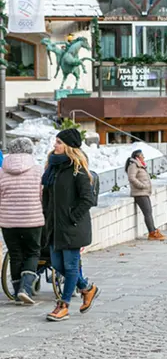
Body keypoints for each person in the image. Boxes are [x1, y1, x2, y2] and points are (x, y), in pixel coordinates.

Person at [42, 128, 100, 322]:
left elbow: (87, 198)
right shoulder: (53, 167)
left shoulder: (78, 169)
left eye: (59, 142)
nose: (55, 145)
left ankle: (63, 305)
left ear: (68, 146)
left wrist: (72, 217)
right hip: (55, 227)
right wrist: (47, 215)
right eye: (56, 141)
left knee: (70, 265)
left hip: (72, 227)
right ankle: (87, 288)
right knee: (57, 264)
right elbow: (47, 196)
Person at [0, 137, 45, 305]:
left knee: (15, 254)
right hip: (32, 220)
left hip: (8, 221)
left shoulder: (1, 172)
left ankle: (17, 291)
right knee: (32, 252)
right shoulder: (38, 170)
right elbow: (43, 196)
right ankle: (25, 289)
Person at [126, 149, 166, 241]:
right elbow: (131, 178)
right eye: (142, 156)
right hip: (139, 193)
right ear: (137, 157)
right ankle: (152, 233)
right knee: (147, 213)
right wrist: (142, 186)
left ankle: (154, 230)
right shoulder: (133, 166)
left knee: (149, 212)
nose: (143, 157)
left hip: (144, 192)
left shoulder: (140, 166)